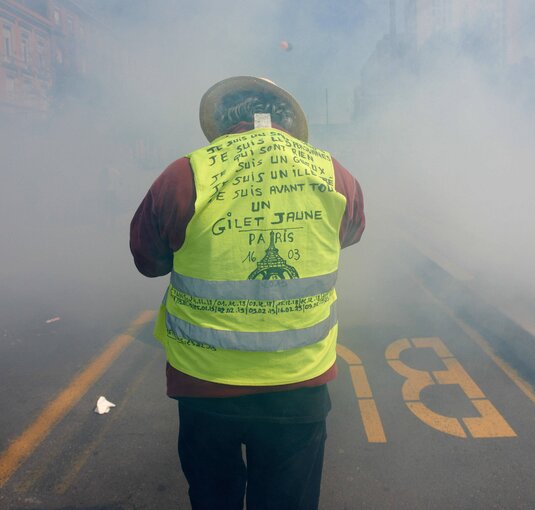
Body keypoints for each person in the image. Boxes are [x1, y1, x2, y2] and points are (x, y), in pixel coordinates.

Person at [130, 76, 365, 510]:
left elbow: (148, 261)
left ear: (220, 121)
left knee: (213, 498)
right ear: (288, 122)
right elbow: (347, 235)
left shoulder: (186, 174)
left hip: (205, 382)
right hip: (299, 381)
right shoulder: (334, 173)